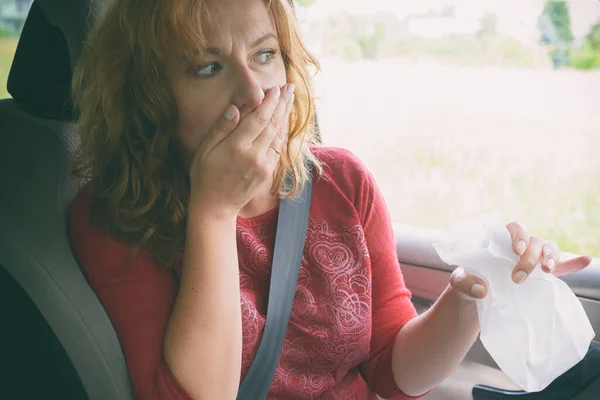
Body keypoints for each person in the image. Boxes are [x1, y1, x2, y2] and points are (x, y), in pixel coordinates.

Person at [67, 0, 593, 399]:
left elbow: (390, 370)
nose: (253, 92)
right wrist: (215, 210)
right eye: (207, 67)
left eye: (265, 55)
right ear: (151, 96)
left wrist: (471, 297)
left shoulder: (341, 180)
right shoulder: (117, 217)